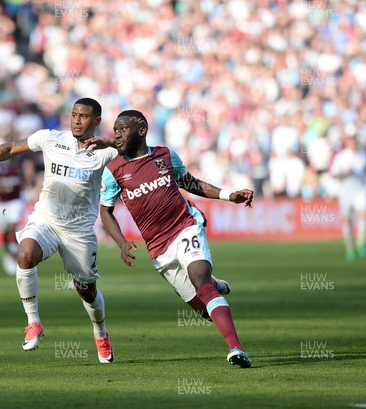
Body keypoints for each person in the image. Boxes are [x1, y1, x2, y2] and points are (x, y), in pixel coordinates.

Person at [0, 98, 118, 363]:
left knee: (86, 290)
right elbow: (10, 148)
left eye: (84, 116)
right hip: (46, 220)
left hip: (78, 231)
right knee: (25, 253)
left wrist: (110, 142)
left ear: (96, 121)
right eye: (74, 115)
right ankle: (34, 323)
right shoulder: (51, 138)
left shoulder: (105, 152)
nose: (77, 120)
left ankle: (100, 334)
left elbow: (137, 151)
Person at [93, 110, 255, 368]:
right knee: (204, 309)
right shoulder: (114, 170)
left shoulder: (165, 156)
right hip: (158, 248)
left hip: (185, 226)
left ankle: (236, 349)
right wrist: (121, 243)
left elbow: (190, 183)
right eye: (116, 130)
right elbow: (105, 210)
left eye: (123, 128)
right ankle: (212, 283)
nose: (118, 134)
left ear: (142, 129)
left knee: (201, 282)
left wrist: (228, 195)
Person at [330, 131, 366, 261]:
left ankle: (360, 243)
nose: (353, 142)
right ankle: (350, 248)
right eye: (350, 140)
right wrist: (344, 173)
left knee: (363, 213)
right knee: (347, 220)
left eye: (354, 139)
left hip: (360, 189)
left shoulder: (362, 155)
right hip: (346, 191)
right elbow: (334, 174)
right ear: (347, 141)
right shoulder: (341, 157)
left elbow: (365, 170)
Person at [0, 155, 26, 276]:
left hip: (15, 201)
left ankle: (15, 256)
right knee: (4, 231)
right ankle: (8, 252)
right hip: (1, 203)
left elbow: (24, 180)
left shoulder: (20, 165)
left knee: (13, 226)